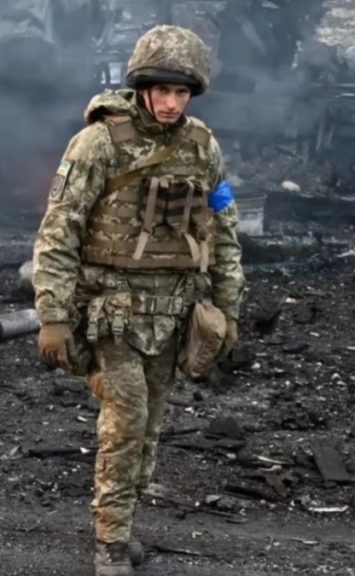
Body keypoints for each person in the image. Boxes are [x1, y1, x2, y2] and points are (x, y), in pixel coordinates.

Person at [32, 24, 244, 576]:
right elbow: (59, 231)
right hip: (113, 311)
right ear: (143, 86)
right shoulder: (98, 143)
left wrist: (229, 307)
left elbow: (224, 230)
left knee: (150, 425)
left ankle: (123, 527)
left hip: (175, 314)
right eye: (163, 90)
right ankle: (111, 541)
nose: (172, 102)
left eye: (182, 92)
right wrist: (53, 316)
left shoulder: (202, 145)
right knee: (124, 422)